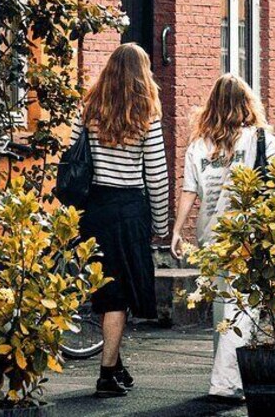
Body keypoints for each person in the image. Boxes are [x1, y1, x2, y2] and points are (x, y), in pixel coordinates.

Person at [170, 73, 275, 403]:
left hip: (211, 236)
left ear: (213, 106)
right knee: (242, 306)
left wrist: (177, 230)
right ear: (248, 104)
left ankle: (228, 378)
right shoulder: (261, 140)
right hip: (246, 234)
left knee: (224, 306)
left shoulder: (198, 146)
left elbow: (190, 191)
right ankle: (225, 383)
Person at [71, 43, 169, 398]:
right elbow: (156, 173)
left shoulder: (89, 108)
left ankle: (115, 364)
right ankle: (105, 375)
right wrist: (161, 223)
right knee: (119, 294)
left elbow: (72, 155)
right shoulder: (146, 113)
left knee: (106, 288)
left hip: (94, 208)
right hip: (128, 209)